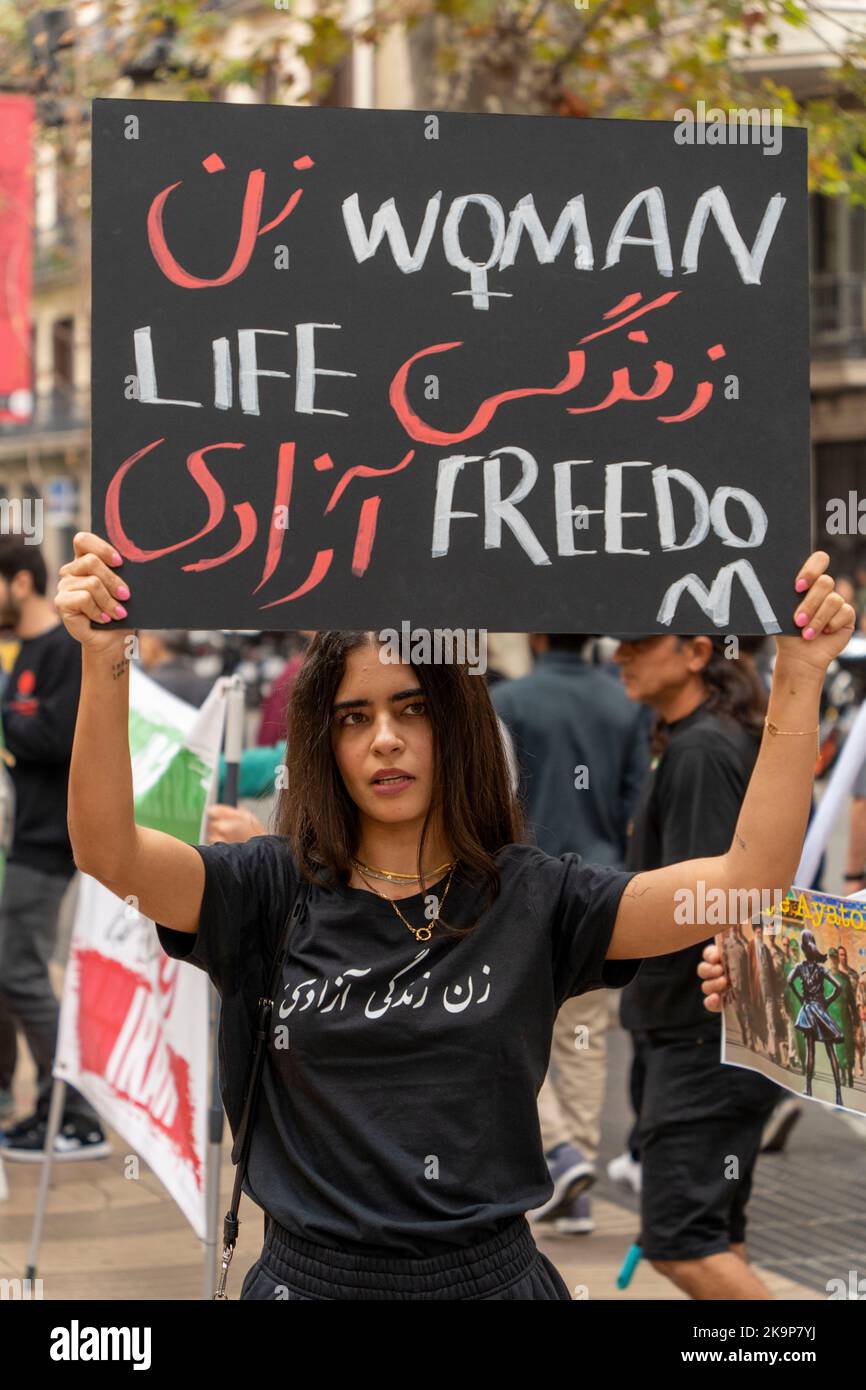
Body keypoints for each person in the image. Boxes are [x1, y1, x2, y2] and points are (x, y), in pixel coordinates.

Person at [56, 531, 851, 1299]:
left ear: (457, 722)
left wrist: (800, 672)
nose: (386, 741)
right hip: (309, 1281)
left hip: (495, 1280)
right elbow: (110, 855)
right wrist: (103, 661)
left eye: (412, 709)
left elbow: (747, 877)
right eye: (354, 717)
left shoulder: (538, 898)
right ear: (324, 742)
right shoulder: (267, 890)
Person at [613, 631, 789, 1300]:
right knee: (716, 1235)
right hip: (713, 1032)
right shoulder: (699, 737)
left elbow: (702, 905)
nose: (621, 655)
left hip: (702, 1032)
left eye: (638, 642)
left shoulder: (700, 749)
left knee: (681, 1244)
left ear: (694, 652)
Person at [491, 632, 649, 1235]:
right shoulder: (622, 702)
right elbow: (637, 798)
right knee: (586, 1036)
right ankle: (574, 1179)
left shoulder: (514, 701)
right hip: (604, 888)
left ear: (535, 638)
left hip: (525, 885)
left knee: (506, 1025)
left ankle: (561, 1154)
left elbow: (496, 797)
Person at [0, 538, 110, 1160]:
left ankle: (77, 1113)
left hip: (50, 840)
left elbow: (63, 737)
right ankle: (51, 1104)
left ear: (19, 582)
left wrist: (5, 719)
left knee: (18, 969)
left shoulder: (65, 647)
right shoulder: (22, 652)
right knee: (13, 967)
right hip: (24, 838)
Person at [787, 930, 845, 1106]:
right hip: (820, 1009)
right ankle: (838, 1095)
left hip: (808, 1011)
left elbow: (790, 981)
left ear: (804, 948)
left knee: (810, 1050)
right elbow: (839, 987)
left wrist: (801, 998)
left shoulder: (799, 967)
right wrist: (826, 1001)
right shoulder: (821, 969)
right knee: (831, 1051)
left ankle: (808, 1088)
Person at [138, 629, 213, 708]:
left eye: (141, 639)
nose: (139, 647)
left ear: (155, 642)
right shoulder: (204, 685)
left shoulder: (149, 685)